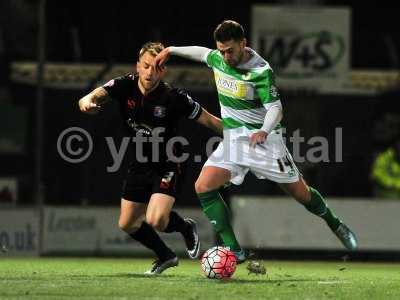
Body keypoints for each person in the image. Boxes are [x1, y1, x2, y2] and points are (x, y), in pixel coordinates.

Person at [154, 20, 358, 261]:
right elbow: (203, 53)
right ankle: (235, 250)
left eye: (230, 50)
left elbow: (276, 108)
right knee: (203, 186)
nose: (226, 56)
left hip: (265, 142)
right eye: (222, 50)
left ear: (243, 43)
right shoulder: (218, 58)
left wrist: (263, 130)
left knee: (301, 194)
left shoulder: (261, 70)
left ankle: (335, 223)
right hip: (234, 140)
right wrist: (171, 50)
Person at [79, 42, 223, 274]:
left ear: (163, 70)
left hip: (169, 160)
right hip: (141, 161)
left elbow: (208, 120)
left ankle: (185, 228)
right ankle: (166, 256)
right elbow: (92, 96)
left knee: (156, 219)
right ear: (138, 66)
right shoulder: (123, 85)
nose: (149, 72)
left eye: (156, 67)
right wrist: (87, 102)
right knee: (127, 223)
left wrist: (240, 135)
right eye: (145, 66)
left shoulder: (173, 97)